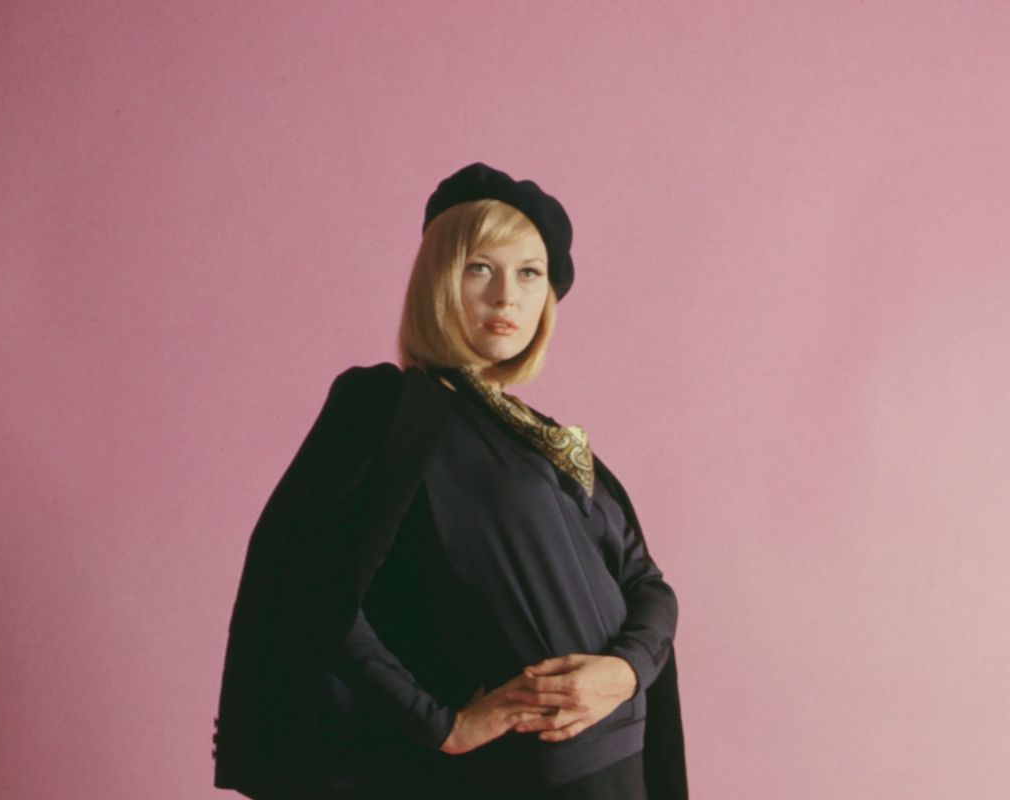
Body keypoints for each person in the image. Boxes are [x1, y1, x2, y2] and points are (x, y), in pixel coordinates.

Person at [212, 163, 687, 800]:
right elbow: (310, 590)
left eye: (529, 274)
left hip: (624, 759)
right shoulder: (390, 409)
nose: (506, 297)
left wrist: (626, 672)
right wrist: (442, 725)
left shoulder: (539, 434)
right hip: (528, 778)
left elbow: (646, 583)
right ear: (438, 278)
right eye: (479, 268)